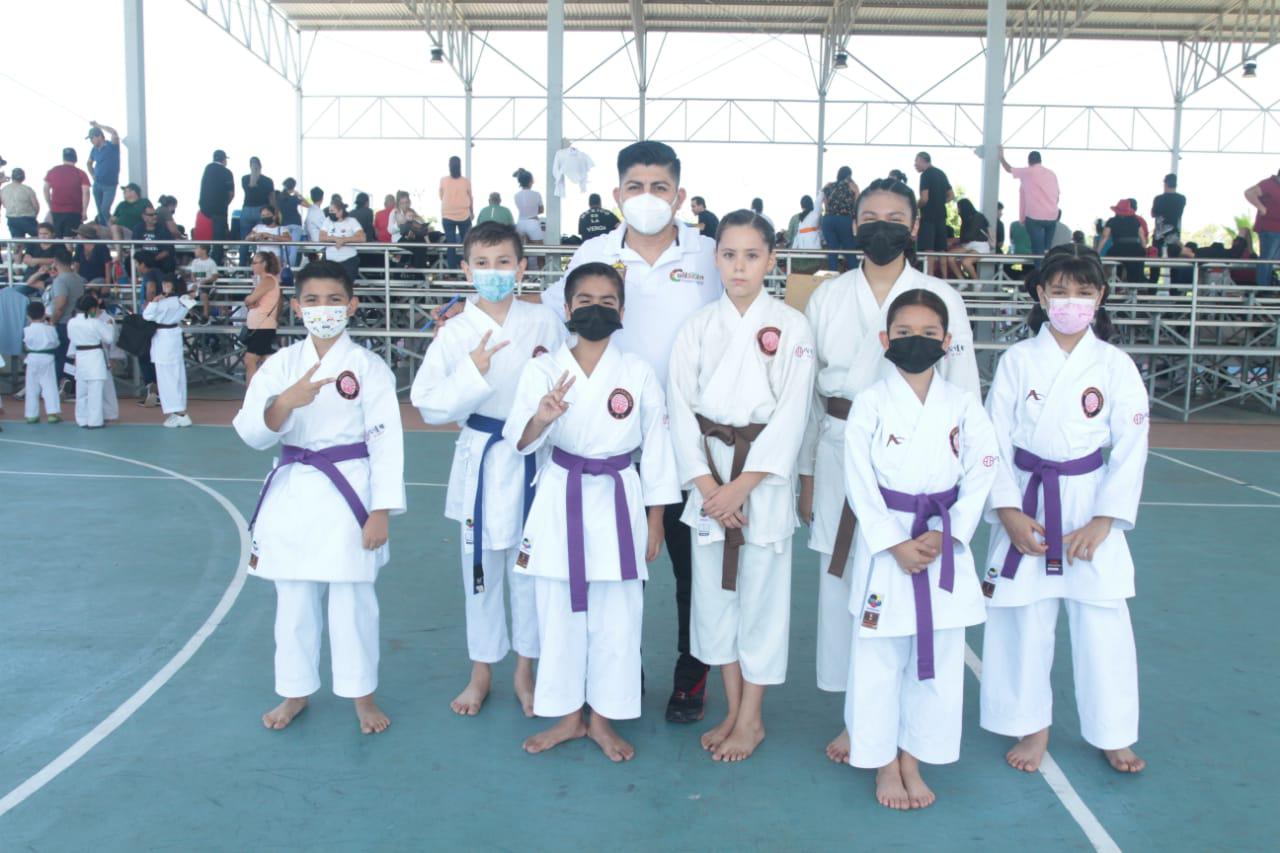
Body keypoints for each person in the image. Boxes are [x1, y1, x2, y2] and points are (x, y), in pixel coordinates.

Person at [539, 140, 724, 723]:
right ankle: (622, 678)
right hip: (618, 444)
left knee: (693, 572)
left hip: (693, 442)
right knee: (621, 571)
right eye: (636, 187)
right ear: (618, 194)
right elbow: (554, 318)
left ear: (680, 195)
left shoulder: (709, 255)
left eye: (661, 187)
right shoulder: (592, 251)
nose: (649, 198)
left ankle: (691, 679)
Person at [798, 177, 979, 764]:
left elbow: (964, 391)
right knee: (846, 587)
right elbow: (805, 394)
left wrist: (954, 488)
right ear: (854, 226)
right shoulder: (827, 294)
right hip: (838, 445)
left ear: (913, 224)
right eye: (870, 215)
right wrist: (804, 472)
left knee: (907, 590)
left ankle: (903, 723)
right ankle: (859, 717)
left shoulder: (938, 296)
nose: (882, 225)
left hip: (919, 469)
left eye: (894, 216)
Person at [980, 244, 1148, 776]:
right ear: (1040, 295)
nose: (1071, 302)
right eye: (1059, 292)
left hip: (1088, 495)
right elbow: (994, 442)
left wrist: (1104, 519)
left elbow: (1132, 445)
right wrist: (1007, 511)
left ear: (1100, 297)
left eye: (1082, 292)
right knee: (1025, 616)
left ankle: (1113, 732)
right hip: (1027, 494)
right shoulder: (1018, 361)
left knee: (1103, 616)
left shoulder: (1115, 366)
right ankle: (1032, 727)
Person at [504, 261, 680, 761]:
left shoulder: (638, 372)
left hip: (619, 497)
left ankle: (602, 719)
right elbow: (518, 440)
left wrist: (655, 520)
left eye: (607, 302)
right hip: (561, 494)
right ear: (567, 308)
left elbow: (660, 451)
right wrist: (540, 418)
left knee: (618, 618)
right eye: (585, 301)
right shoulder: (542, 370)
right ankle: (565, 716)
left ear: (622, 311)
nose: (596, 309)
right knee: (557, 611)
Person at [232, 259, 406, 735]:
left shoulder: (368, 367)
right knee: (293, 600)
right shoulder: (281, 366)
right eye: (312, 301)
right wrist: (285, 403)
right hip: (294, 491)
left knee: (353, 600)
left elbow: (387, 441)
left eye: (333, 300)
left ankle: (362, 696)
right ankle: (294, 691)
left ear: (351, 305)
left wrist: (381, 511)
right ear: (296, 307)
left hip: (351, 492)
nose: (323, 309)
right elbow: (251, 432)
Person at [667, 210, 816, 762]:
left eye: (752, 255)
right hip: (709, 480)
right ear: (716, 258)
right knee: (714, 604)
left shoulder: (792, 326)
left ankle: (751, 719)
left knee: (759, 604)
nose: (739, 266)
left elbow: (793, 415)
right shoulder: (697, 328)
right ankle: (732, 710)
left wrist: (740, 488)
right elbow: (678, 410)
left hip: (762, 488)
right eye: (729, 254)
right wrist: (709, 487)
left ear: (771, 260)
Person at [840, 288, 998, 810]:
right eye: (904, 334)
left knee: (939, 658)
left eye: (929, 334)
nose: (916, 342)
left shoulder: (963, 405)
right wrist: (893, 542)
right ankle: (884, 761)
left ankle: (913, 756)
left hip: (940, 541)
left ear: (947, 342)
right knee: (879, 656)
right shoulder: (870, 402)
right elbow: (859, 482)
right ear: (885, 340)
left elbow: (982, 471)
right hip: (889, 545)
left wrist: (949, 534)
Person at [410, 222, 566, 718]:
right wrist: (472, 369)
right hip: (481, 456)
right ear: (466, 270)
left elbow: (567, 380)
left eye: (504, 263)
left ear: (522, 267)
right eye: (482, 263)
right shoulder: (455, 332)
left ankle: (525, 669)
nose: (494, 272)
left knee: (528, 570)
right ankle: (481, 671)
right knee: (479, 570)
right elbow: (428, 404)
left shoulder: (544, 321)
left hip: (532, 453)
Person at [142, 273, 194, 428]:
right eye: (163, 284)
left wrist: (154, 302)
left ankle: (179, 413)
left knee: (167, 378)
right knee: (176, 376)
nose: (164, 286)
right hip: (172, 336)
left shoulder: (166, 302)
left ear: (173, 285)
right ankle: (178, 412)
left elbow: (146, 315)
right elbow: (191, 298)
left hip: (164, 339)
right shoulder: (184, 300)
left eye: (167, 284)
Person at [999, 148, 1059, 259]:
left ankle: (1039, 273)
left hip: (1034, 217)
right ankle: (1047, 264)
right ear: (1040, 161)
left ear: (1029, 162)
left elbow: (1008, 169)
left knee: (1037, 250)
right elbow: (1057, 195)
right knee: (1047, 250)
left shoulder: (1028, 171)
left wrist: (1001, 157)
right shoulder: (1052, 174)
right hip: (1052, 217)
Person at [66, 294, 114, 428]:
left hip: (80, 356)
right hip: (94, 357)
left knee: (81, 393)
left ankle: (82, 420)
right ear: (92, 308)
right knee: (95, 392)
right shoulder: (95, 322)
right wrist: (109, 325)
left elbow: (72, 338)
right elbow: (109, 338)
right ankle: (95, 421)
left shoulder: (72, 322)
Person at [43, 249, 86, 390]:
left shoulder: (60, 280)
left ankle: (63, 383)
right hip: (79, 321)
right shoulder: (80, 279)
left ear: (55, 262)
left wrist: (53, 321)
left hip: (63, 322)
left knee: (61, 355)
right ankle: (70, 382)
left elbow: (61, 304)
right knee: (72, 356)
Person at [243, 251, 282, 384]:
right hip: (259, 325)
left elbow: (250, 299)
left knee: (250, 359)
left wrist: (250, 300)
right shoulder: (265, 281)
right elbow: (251, 301)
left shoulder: (268, 280)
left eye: (255, 262)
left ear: (264, 264)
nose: (252, 265)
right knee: (267, 358)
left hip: (262, 326)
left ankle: (252, 396)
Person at [22, 301, 62, 424]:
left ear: (28, 316)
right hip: (47, 358)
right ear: (44, 314)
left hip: (32, 358)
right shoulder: (50, 329)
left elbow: (26, 345)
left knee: (31, 387)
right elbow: (56, 343)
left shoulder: (26, 330)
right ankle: (52, 413)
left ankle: (31, 415)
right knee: (49, 385)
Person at [913, 152, 953, 275]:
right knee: (941, 249)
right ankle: (945, 278)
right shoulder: (941, 173)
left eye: (916, 161)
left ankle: (929, 276)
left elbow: (924, 198)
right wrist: (939, 202)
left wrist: (915, 207)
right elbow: (951, 196)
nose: (915, 164)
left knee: (928, 248)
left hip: (929, 216)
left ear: (922, 160)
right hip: (941, 215)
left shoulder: (925, 175)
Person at [198, 150, 235, 264]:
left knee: (203, 242)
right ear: (224, 160)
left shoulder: (207, 169)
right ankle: (215, 266)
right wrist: (225, 204)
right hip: (219, 212)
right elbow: (231, 193)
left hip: (204, 211)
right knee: (218, 241)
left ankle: (202, 265)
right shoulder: (227, 172)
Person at [44, 148, 91, 237]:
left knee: (58, 237)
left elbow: (45, 189)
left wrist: (50, 204)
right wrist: (84, 211)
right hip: (74, 211)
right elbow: (86, 192)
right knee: (69, 237)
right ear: (75, 159)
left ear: (63, 158)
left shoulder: (53, 171)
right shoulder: (81, 173)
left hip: (56, 210)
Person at [1244, 167, 1280, 286]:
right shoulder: (1269, 184)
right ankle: (1263, 286)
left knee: (1271, 258)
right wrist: (1261, 208)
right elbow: (1249, 192)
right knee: (1267, 257)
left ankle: (1269, 282)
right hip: (1270, 228)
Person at [820, 166, 859, 272]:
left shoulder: (829, 185)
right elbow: (857, 203)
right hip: (844, 219)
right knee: (849, 250)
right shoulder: (852, 186)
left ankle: (833, 276)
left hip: (828, 220)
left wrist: (830, 210)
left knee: (832, 251)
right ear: (849, 175)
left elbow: (824, 201)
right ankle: (854, 276)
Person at [239, 156, 276, 267]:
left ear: (250, 166)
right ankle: (258, 265)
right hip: (262, 211)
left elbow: (252, 184)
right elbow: (272, 199)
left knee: (245, 240)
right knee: (259, 239)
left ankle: (241, 267)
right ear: (261, 166)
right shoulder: (268, 181)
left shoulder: (244, 179)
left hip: (246, 211)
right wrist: (274, 213)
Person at [1099, 199, 1146, 284]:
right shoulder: (1135, 221)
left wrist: (1097, 251)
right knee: (1135, 271)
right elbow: (1142, 237)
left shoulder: (1112, 221)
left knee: (1111, 266)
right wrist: (1144, 250)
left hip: (1118, 249)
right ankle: (1134, 287)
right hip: (1136, 249)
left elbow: (1104, 237)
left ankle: (1113, 284)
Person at [321, 195, 366, 282]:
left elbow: (362, 237)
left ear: (341, 211)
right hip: (330, 262)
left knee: (346, 288)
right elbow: (321, 237)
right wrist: (335, 238)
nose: (330, 213)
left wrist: (344, 240)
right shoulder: (327, 220)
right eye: (330, 211)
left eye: (333, 211)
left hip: (348, 261)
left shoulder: (352, 221)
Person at [441, 156, 474, 270]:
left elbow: (441, 196)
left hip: (447, 215)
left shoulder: (444, 180)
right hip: (464, 215)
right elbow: (470, 198)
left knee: (451, 244)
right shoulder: (465, 181)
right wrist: (472, 211)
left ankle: (452, 271)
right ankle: (466, 268)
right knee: (467, 244)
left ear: (449, 166)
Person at [86, 121, 121, 225]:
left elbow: (114, 132)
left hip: (110, 185)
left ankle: (113, 229)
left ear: (99, 136)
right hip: (98, 184)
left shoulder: (112, 146)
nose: (91, 141)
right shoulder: (94, 150)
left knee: (104, 210)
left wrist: (98, 126)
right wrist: (92, 175)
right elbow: (88, 163)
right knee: (100, 212)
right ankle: (104, 232)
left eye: (92, 138)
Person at [947, 198, 991, 280]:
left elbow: (970, 235)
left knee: (966, 262)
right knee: (949, 257)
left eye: (959, 208)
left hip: (980, 245)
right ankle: (962, 280)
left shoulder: (978, 217)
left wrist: (954, 240)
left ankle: (977, 283)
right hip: (968, 245)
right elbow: (964, 237)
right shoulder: (965, 219)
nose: (958, 210)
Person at [513, 168, 545, 264]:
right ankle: (542, 277)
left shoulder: (517, 195)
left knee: (521, 252)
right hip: (533, 222)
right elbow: (541, 210)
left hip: (520, 222)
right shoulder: (536, 194)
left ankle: (523, 276)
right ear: (531, 181)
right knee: (540, 252)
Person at [1151, 173, 1186, 256]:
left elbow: (1153, 214)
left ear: (1165, 184)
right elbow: (1179, 214)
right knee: (1174, 260)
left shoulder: (1158, 198)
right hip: (1174, 234)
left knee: (1155, 258)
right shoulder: (1181, 198)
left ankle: (1155, 268)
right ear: (1175, 185)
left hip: (1159, 234)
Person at [787, 195, 823, 273]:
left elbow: (789, 237)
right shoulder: (817, 216)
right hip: (814, 258)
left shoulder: (795, 218)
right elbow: (823, 237)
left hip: (797, 258)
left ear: (801, 205)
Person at [1, 168, 40, 238]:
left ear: (12, 177)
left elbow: (2, 204)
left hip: (11, 219)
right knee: (40, 237)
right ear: (23, 177)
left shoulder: (3, 190)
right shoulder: (27, 189)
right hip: (27, 218)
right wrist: (34, 216)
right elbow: (36, 206)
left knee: (17, 242)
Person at [136, 205, 176, 273]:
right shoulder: (138, 228)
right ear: (144, 217)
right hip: (144, 257)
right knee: (129, 260)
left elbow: (167, 251)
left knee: (168, 262)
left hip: (158, 259)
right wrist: (139, 263)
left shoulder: (163, 229)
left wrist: (147, 263)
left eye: (155, 214)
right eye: (151, 215)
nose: (155, 216)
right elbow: (135, 248)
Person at [277, 178, 306, 266]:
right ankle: (290, 268)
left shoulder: (279, 197)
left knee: (285, 248)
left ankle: (285, 267)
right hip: (296, 224)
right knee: (293, 248)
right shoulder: (294, 198)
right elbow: (308, 205)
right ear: (293, 187)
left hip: (284, 224)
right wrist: (299, 195)